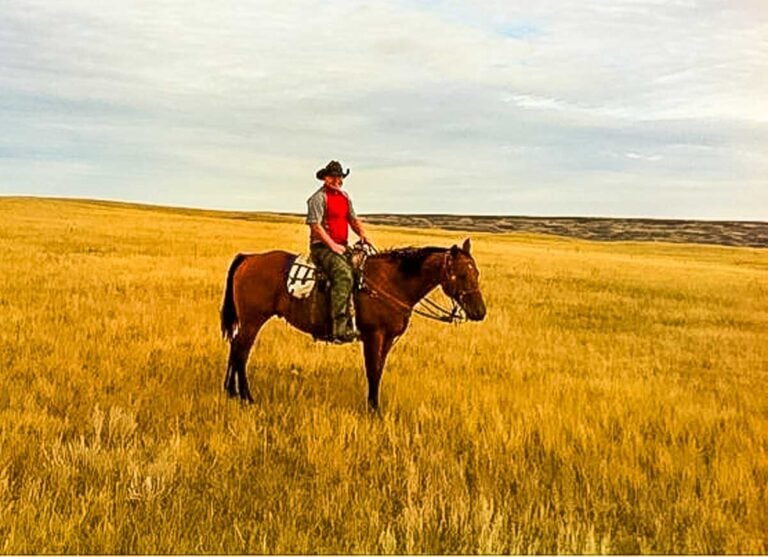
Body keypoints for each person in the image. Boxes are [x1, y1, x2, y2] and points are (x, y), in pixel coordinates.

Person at [306, 160, 370, 343]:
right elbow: (315, 226)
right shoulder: (317, 198)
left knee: (364, 271)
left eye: (339, 177)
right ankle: (339, 329)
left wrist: (362, 234)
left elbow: (353, 219)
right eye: (333, 177)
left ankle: (358, 320)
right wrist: (332, 246)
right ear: (325, 178)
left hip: (341, 246)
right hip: (322, 247)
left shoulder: (345, 197)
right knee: (344, 276)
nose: (337, 180)